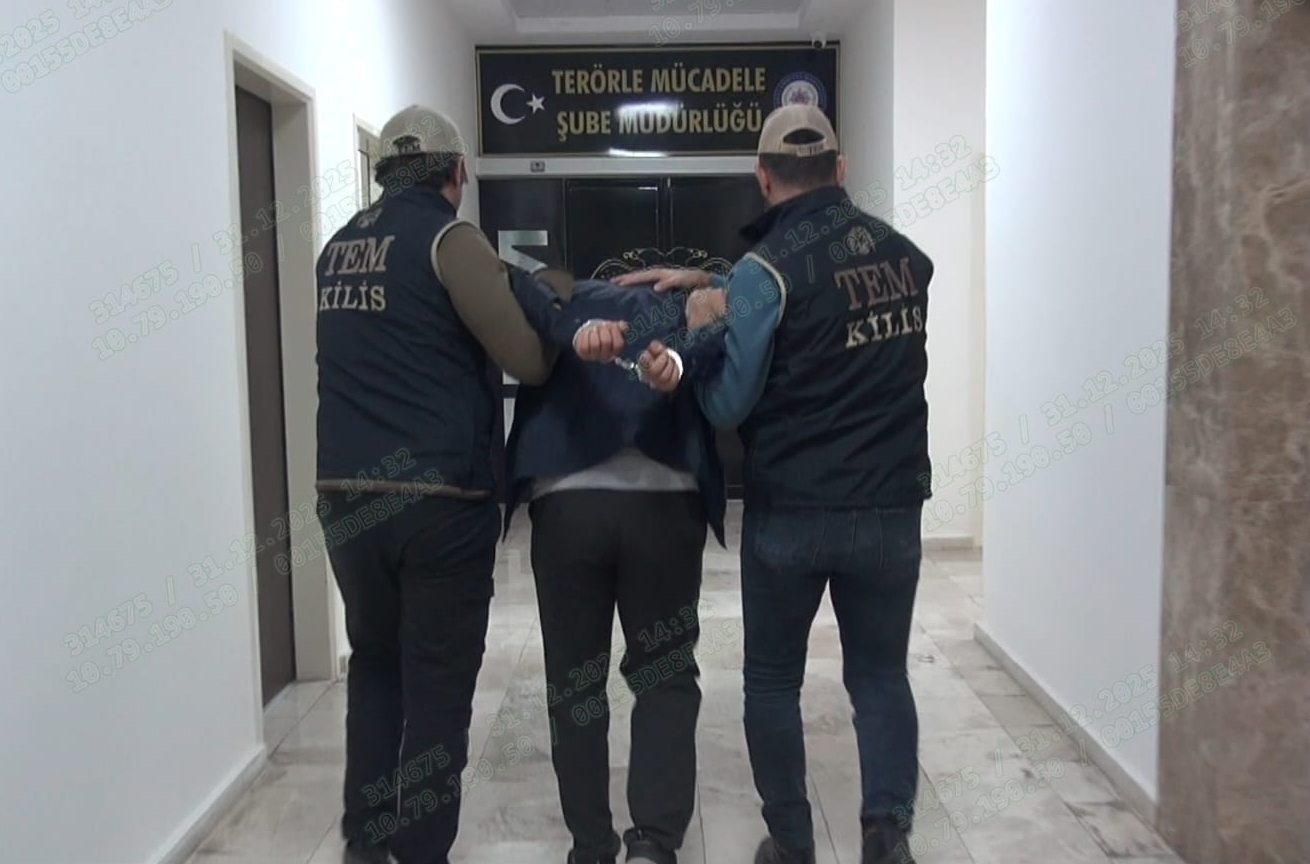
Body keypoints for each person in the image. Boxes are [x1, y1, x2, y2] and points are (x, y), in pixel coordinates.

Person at [616, 104, 935, 864]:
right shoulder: (907, 258)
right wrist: (720, 281)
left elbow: (729, 402)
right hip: (891, 506)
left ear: (763, 179)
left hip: (795, 508)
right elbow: (826, 300)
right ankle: (887, 833)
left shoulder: (767, 272)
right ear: (841, 168)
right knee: (880, 675)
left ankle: (792, 843)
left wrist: (701, 327)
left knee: (771, 682)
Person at [314, 105, 618, 864]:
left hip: (346, 498)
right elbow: (530, 361)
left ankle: (364, 843)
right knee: (438, 691)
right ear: (456, 174)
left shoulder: (336, 249)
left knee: (374, 664)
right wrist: (547, 292)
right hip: (437, 505)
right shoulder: (450, 240)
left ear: (384, 172)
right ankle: (421, 851)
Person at [499, 266, 729, 864]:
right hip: (665, 503)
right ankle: (653, 843)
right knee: (665, 674)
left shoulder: (556, 302)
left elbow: (507, 280)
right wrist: (704, 282)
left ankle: (591, 846)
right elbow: (749, 299)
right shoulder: (693, 304)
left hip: (568, 505)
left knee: (574, 684)